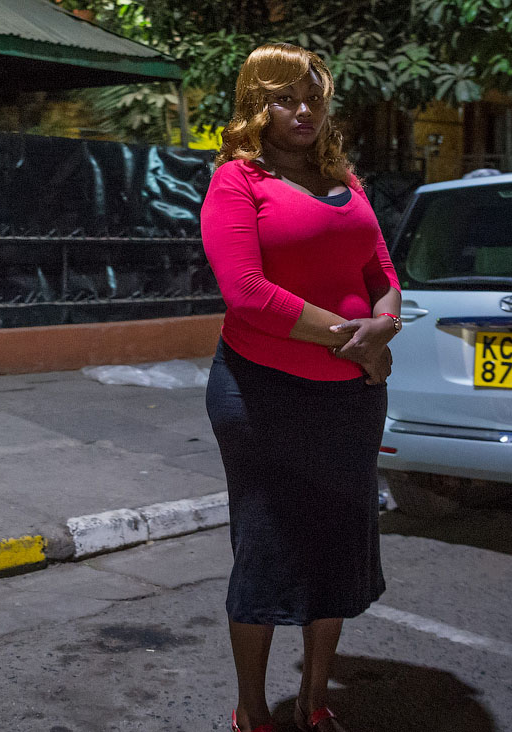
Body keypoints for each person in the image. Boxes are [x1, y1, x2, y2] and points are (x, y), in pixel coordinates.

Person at [200, 42, 402, 732]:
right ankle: (253, 712)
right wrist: (357, 343)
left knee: (336, 542)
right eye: (287, 97)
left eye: (314, 96)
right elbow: (248, 295)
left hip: (350, 398)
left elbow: (382, 270)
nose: (305, 110)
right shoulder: (237, 181)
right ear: (257, 103)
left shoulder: (341, 175)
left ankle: (315, 700)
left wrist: (385, 324)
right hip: (262, 395)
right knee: (266, 544)